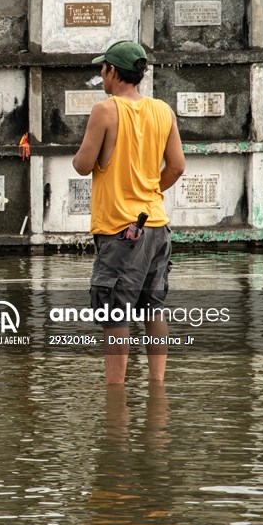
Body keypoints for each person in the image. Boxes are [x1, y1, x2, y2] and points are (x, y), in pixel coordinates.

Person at [72, 41, 185, 384]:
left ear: (113, 71)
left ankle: (115, 392)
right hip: (157, 225)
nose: (101, 74)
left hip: (121, 230)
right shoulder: (163, 110)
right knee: (153, 308)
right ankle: (157, 385)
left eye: (103, 68)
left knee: (114, 312)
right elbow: (177, 167)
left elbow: (82, 165)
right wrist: (148, 192)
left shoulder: (105, 111)